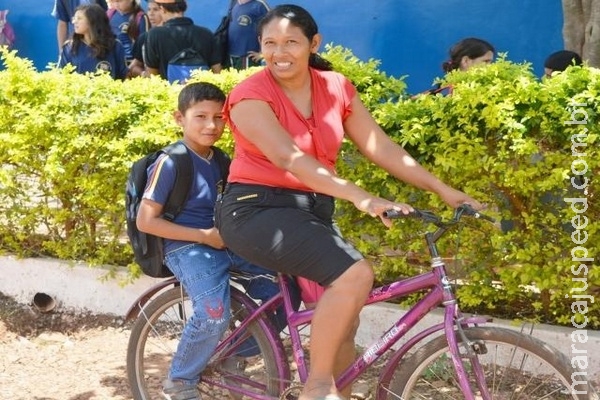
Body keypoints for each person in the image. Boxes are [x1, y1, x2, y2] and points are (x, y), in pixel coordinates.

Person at [215, 4, 483, 400]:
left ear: (313, 44)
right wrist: (361, 196)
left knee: (344, 324)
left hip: (310, 213)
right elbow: (290, 159)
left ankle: (332, 390)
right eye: (269, 43)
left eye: (291, 42)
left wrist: (441, 189)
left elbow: (381, 146)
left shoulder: (336, 87)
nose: (279, 52)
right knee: (356, 275)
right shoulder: (250, 96)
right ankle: (318, 386)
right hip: (256, 210)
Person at [136, 81, 293, 400]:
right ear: (179, 118)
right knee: (212, 313)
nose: (212, 125)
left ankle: (233, 356)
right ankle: (179, 380)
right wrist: (203, 235)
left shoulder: (221, 160)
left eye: (219, 117)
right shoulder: (171, 161)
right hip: (185, 247)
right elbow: (146, 220)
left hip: (224, 241)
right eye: (201, 116)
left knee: (284, 290)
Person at [144, 0, 221, 80]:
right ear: (184, 7)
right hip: (201, 91)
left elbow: (152, 75)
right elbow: (217, 71)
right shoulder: (206, 33)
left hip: (168, 91)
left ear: (162, 9)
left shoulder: (154, 34)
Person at [57, 4, 128, 80]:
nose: (74, 22)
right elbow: (62, 77)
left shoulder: (115, 45)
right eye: (74, 18)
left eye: (79, 18)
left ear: (92, 21)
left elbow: (123, 76)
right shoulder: (69, 47)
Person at [227, 0, 270, 70]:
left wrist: (262, 53)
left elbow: (273, 27)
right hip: (231, 55)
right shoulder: (234, 3)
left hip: (248, 57)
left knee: (246, 80)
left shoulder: (259, 5)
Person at [128, 0, 163, 78]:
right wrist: (143, 73)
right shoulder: (144, 37)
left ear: (165, 11)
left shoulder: (173, 35)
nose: (151, 13)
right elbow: (133, 67)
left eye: (156, 9)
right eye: (149, 9)